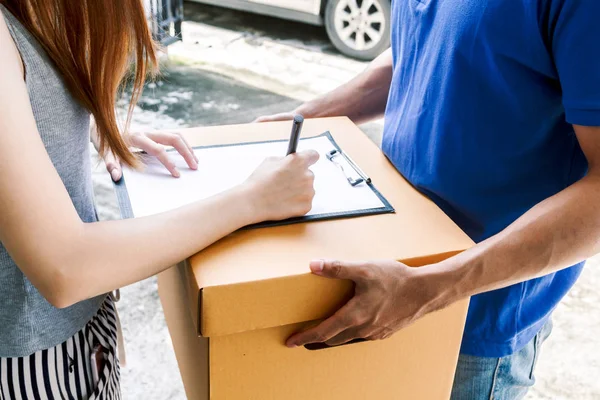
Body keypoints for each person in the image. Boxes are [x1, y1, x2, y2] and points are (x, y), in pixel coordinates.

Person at [257, 1, 600, 399]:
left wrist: (429, 288)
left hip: (471, 322)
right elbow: (423, 50)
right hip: (391, 279)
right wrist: (305, 118)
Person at [0, 1, 318, 399]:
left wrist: (101, 129)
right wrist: (253, 200)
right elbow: (64, 266)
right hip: (28, 359)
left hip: (73, 333)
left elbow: (29, 91)